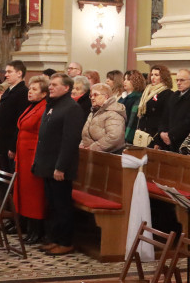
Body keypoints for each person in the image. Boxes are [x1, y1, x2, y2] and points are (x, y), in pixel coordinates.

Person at [33, 73, 86, 255]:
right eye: (50, 84)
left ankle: (65, 241)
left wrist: (60, 167)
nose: (51, 87)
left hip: (60, 167)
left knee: (62, 205)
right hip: (48, 164)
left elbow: (69, 140)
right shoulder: (53, 105)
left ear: (66, 88)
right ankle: (54, 238)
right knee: (53, 205)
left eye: (55, 85)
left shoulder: (72, 108)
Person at [16, 76, 49, 244]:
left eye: (35, 89)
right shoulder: (31, 106)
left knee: (34, 196)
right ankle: (27, 227)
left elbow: (41, 136)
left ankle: (36, 231)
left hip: (33, 156)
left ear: (44, 94)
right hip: (22, 156)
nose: (30, 91)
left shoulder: (44, 108)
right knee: (25, 193)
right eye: (30, 88)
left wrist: (36, 158)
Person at [0, 59, 28, 170]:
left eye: (9, 72)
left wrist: (13, 147)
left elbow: (19, 122)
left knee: (9, 176)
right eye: (6, 72)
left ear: (19, 73)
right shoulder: (9, 91)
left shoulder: (23, 92)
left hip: (10, 143)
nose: (6, 75)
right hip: (3, 141)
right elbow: (1, 118)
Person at [157, 69, 190, 151]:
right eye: (177, 80)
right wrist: (162, 132)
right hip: (166, 141)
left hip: (182, 142)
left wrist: (171, 135)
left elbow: (189, 122)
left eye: (182, 80)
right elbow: (164, 117)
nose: (178, 83)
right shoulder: (174, 96)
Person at [80, 83, 127, 153]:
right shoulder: (94, 111)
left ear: (106, 97)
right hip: (91, 153)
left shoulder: (113, 113)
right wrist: (82, 145)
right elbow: (86, 133)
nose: (92, 98)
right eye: (91, 95)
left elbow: (114, 137)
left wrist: (93, 148)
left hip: (108, 156)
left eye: (95, 95)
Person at [135, 65, 172, 145]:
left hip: (154, 134)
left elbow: (165, 118)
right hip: (142, 133)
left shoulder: (167, 93)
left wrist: (158, 141)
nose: (153, 77)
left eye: (156, 75)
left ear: (163, 77)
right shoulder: (147, 90)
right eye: (151, 75)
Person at [121, 70, 145, 144]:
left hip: (129, 134)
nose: (125, 82)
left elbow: (133, 119)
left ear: (136, 81)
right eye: (124, 79)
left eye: (128, 79)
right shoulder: (123, 97)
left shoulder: (138, 98)